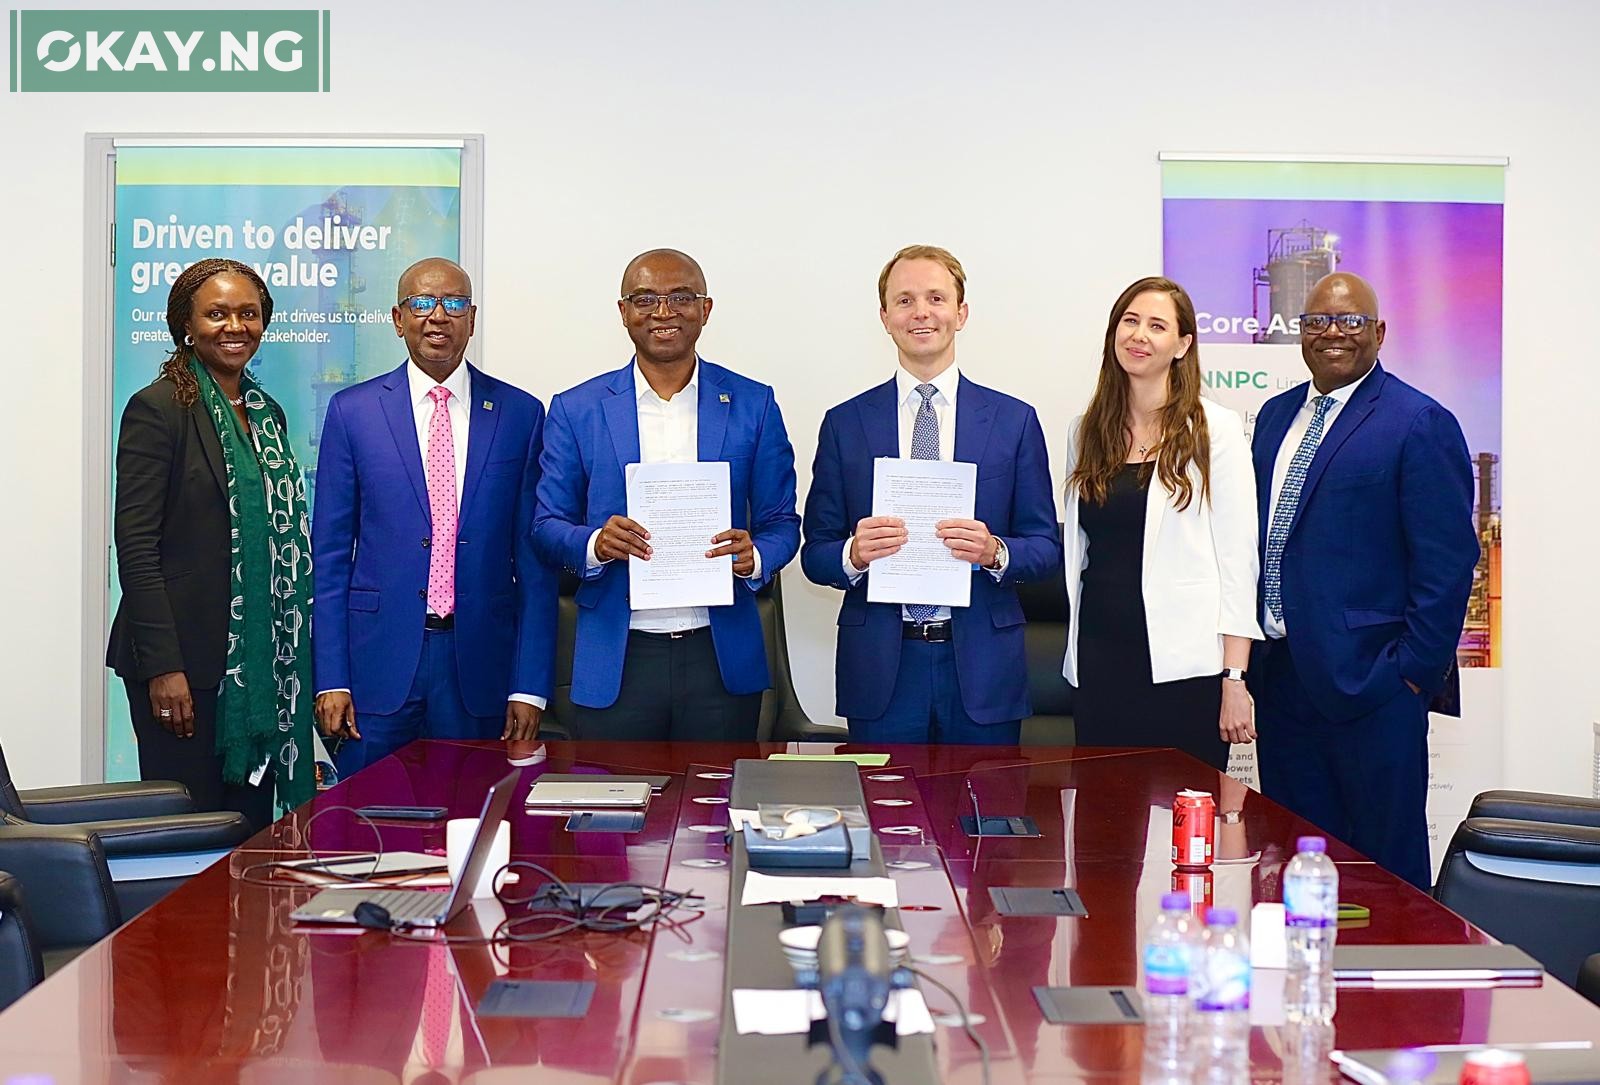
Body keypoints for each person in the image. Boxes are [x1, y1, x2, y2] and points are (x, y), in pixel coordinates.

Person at [1249, 272, 1477, 890]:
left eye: (1350, 321)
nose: (1332, 333)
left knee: (1384, 876)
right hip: (1282, 681)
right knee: (1296, 870)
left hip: (1374, 688)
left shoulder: (1418, 421)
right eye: (1317, 320)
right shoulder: (1274, 418)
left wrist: (1408, 674)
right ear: (1299, 334)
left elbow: (1448, 562)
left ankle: (1396, 987)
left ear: (1379, 332)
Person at [532, 249, 800, 740]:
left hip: (719, 657)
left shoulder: (753, 403)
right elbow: (547, 526)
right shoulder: (576, 409)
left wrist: (755, 556)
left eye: (680, 297)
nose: (663, 312)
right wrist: (595, 544)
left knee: (713, 810)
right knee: (614, 808)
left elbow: (783, 523)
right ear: (623, 312)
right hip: (618, 655)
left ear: (705, 309)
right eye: (646, 298)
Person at [800, 245, 1060, 744]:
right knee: (885, 816)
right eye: (905, 300)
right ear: (885, 317)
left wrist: (995, 551)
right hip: (882, 667)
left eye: (936, 298)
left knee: (984, 816)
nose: (921, 312)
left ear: (961, 313)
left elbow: (1045, 547)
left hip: (983, 667)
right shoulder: (845, 423)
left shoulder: (1013, 421)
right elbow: (816, 555)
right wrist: (853, 554)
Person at [311, 258, 557, 776]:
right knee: (368, 829)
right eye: (422, 304)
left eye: (453, 303)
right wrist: (331, 678)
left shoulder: (520, 414)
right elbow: (331, 559)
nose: (437, 316)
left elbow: (535, 566)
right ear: (398, 319)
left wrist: (530, 684)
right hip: (376, 664)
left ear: (472, 317)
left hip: (479, 666)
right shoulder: (352, 412)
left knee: (473, 823)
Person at [107, 258, 315, 829]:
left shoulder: (266, 415)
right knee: (191, 837)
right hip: (185, 672)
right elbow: (137, 548)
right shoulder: (159, 409)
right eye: (217, 313)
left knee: (247, 831)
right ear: (186, 325)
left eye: (248, 314)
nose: (235, 326)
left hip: (258, 667)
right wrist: (163, 668)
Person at [1060, 276, 1261, 770]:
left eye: (1157, 325)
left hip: (1183, 668)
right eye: (1130, 321)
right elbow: (1079, 548)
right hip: (1100, 660)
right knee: (1103, 828)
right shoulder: (1085, 431)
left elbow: (1239, 563)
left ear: (1182, 344)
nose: (1139, 336)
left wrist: (1234, 680)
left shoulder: (1215, 430)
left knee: (1186, 827)